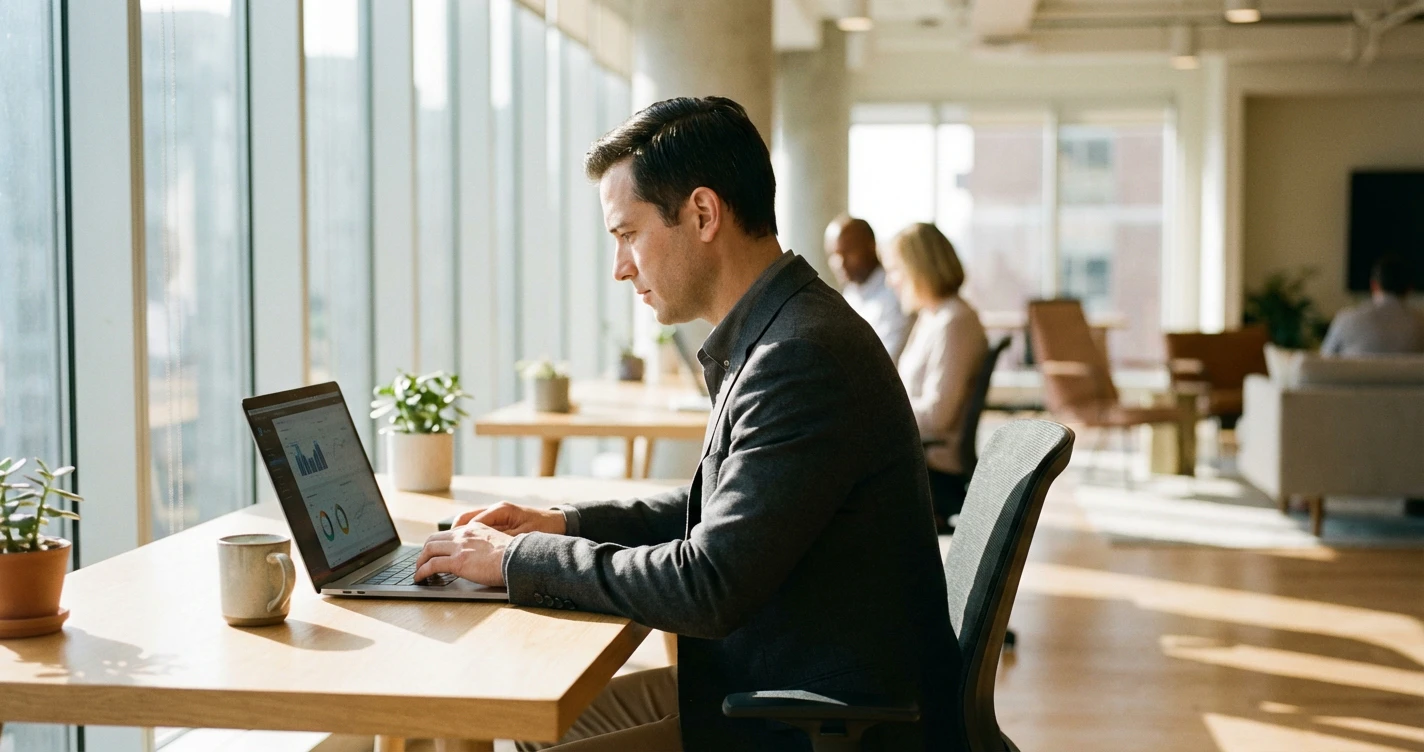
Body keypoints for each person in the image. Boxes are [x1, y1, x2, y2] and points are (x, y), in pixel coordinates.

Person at [413, 97, 960, 751]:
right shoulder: (784, 328)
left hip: (807, 718)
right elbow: (720, 511)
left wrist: (517, 561)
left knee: (519, 729)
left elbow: (708, 584)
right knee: (528, 721)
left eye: (627, 234)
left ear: (702, 213)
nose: (620, 267)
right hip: (781, 688)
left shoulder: (800, 356)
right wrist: (561, 525)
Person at [881, 223, 988, 531]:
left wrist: (877, 413)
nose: (891, 281)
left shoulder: (953, 322)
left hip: (934, 471)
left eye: (896, 270)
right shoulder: (932, 317)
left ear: (919, 268)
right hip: (919, 459)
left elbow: (938, 416)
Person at [825, 215, 911, 359]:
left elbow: (888, 358)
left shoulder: (895, 292)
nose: (840, 262)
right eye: (834, 254)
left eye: (848, 252)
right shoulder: (849, 295)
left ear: (871, 246)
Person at [1321, 255, 1424, 356]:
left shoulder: (1346, 319)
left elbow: (1323, 363)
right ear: (1410, 289)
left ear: (1373, 285)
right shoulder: (1421, 323)